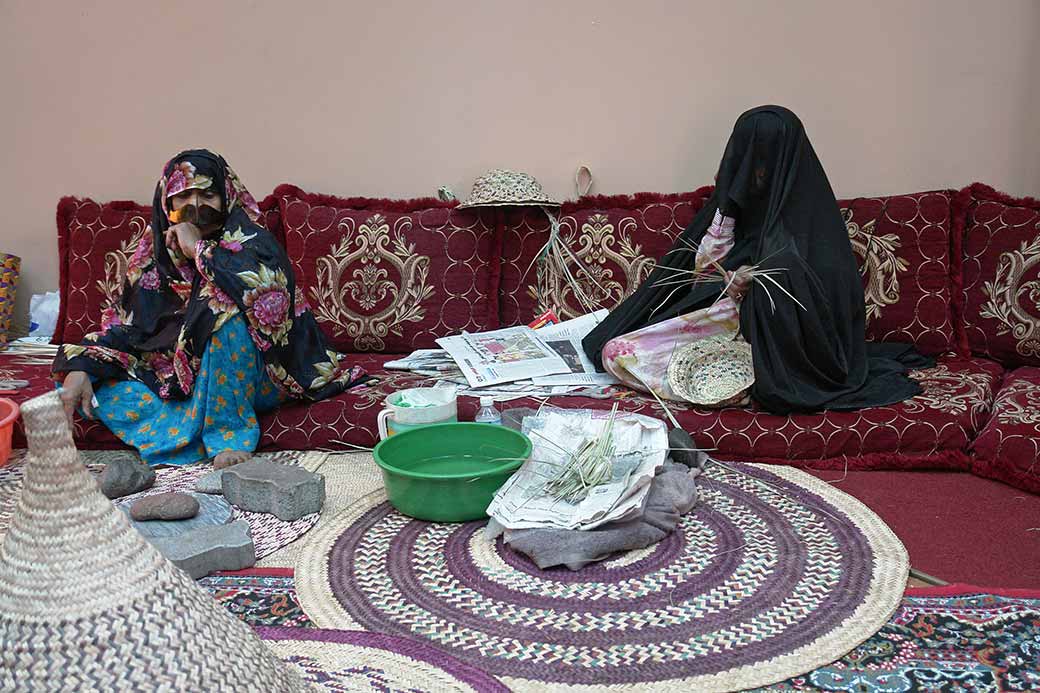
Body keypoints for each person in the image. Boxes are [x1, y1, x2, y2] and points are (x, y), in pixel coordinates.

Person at [583, 106, 931, 414]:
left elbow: (825, 307)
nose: (755, 172)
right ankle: (726, 382)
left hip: (781, 349)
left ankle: (737, 387)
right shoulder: (733, 205)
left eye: (763, 162)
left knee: (623, 354)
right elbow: (697, 278)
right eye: (748, 158)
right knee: (617, 352)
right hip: (721, 325)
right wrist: (727, 234)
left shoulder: (811, 217)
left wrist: (758, 287)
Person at [53, 149, 366, 467]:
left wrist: (197, 249)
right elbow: (130, 327)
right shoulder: (155, 255)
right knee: (82, 378)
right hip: (183, 374)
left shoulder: (253, 241)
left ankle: (227, 435)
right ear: (167, 203)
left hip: (262, 373)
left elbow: (265, 297)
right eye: (183, 196)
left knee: (222, 312)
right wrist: (84, 365)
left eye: (207, 194)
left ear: (226, 196)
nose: (195, 206)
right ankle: (184, 425)